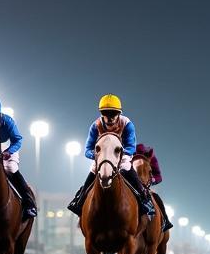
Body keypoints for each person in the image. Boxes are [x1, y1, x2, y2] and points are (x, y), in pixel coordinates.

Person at [67, 95, 166, 226]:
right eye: (106, 113)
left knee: (126, 167)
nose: (110, 117)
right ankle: (79, 202)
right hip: (102, 158)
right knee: (92, 173)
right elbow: (87, 150)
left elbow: (130, 146)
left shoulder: (127, 124)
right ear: (101, 113)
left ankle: (144, 200)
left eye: (113, 114)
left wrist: (118, 156)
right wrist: (99, 156)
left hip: (122, 156)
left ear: (119, 113)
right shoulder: (95, 126)